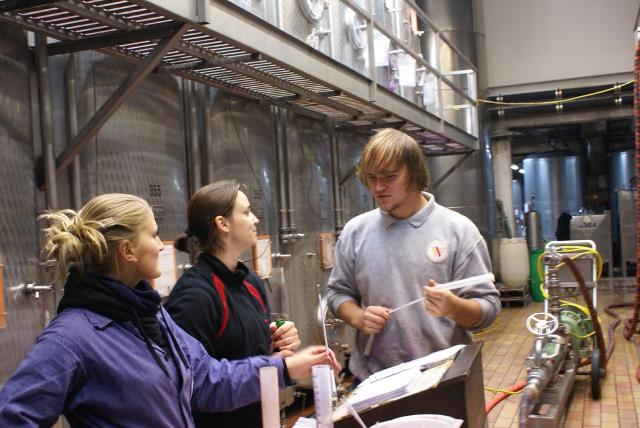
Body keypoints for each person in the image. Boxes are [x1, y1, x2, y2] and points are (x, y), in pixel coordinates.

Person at [0, 193, 339, 427]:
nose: (162, 245)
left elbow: (208, 379)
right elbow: (13, 416)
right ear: (128, 251)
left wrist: (285, 366)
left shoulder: (151, 314)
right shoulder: (71, 338)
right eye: (154, 234)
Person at [327, 129, 500, 382]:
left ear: (415, 173)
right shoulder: (355, 231)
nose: (378, 187)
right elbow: (337, 293)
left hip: (444, 379)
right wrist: (358, 317)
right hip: (374, 380)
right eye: (371, 177)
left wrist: (454, 307)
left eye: (390, 177)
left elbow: (488, 308)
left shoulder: (458, 231)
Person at [165, 180, 301, 428]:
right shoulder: (194, 297)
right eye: (247, 212)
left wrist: (278, 342)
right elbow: (194, 386)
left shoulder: (250, 282)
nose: (255, 219)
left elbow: (251, 355)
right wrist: (287, 367)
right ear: (223, 223)